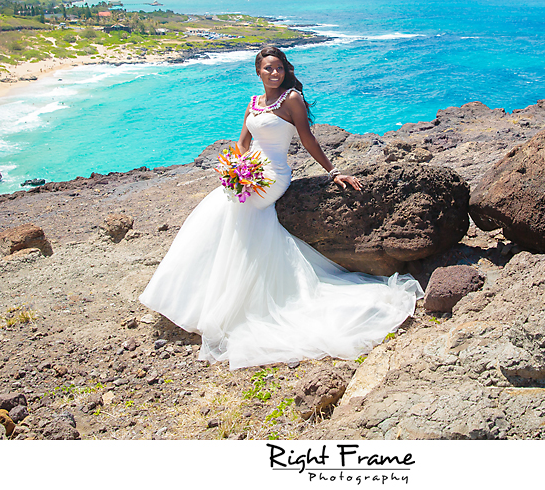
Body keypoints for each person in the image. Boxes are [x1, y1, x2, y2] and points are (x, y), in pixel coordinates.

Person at [140, 46, 423, 369]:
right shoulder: (252, 103)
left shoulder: (291, 99)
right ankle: (202, 299)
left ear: (285, 71)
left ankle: (230, 302)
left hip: (273, 175)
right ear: (258, 72)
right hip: (249, 173)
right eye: (268, 69)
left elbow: (307, 139)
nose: (274, 73)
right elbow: (243, 144)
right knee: (218, 205)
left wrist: (333, 172)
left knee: (234, 211)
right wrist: (235, 169)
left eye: (279, 68)